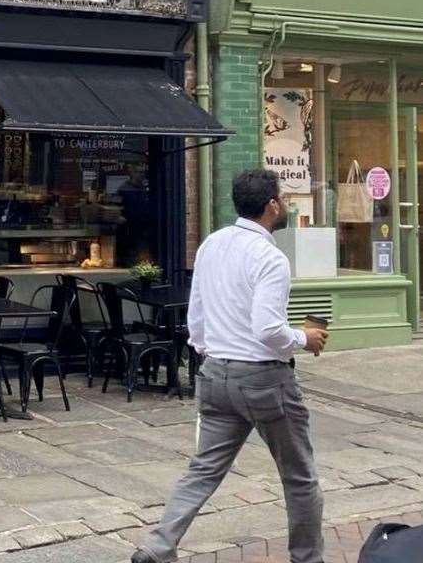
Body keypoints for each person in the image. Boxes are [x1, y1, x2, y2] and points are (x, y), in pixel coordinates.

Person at [132, 169, 329, 563]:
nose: (285, 204)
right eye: (283, 198)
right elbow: (268, 329)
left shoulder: (211, 244)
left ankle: (158, 546)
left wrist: (209, 353)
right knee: (300, 477)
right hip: (263, 379)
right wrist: (303, 339)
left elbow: (198, 315)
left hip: (214, 372)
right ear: (272, 205)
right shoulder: (271, 257)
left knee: (203, 470)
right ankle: (308, 559)